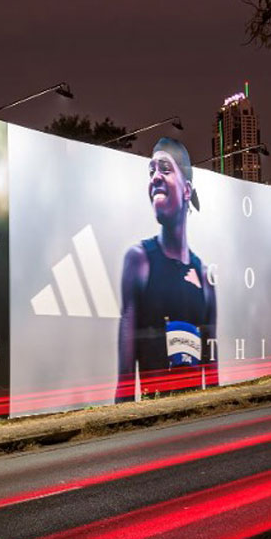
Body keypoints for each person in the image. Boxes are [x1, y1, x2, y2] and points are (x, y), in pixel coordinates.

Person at [116, 137, 217, 401]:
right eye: (151, 171)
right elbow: (125, 374)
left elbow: (212, 369)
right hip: (155, 422)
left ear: (187, 190)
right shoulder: (139, 261)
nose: (155, 178)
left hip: (194, 420)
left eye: (165, 168)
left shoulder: (205, 277)